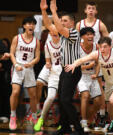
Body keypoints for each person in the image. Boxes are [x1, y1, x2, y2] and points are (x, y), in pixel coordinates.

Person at [65, 36, 113, 134]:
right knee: (109, 109)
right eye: (100, 47)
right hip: (109, 83)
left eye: (105, 47)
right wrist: (74, 64)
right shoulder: (97, 54)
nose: (102, 49)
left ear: (110, 46)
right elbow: (82, 60)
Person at [40, 0, 84, 134]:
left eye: (64, 20)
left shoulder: (74, 33)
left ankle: (78, 128)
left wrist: (53, 11)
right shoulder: (63, 34)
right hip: (64, 70)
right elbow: (49, 25)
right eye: (61, 20)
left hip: (73, 70)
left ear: (71, 22)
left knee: (65, 100)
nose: (62, 22)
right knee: (62, 100)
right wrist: (44, 10)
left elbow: (58, 28)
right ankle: (64, 126)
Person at [76, 2, 109, 125]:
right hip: (83, 59)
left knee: (99, 95)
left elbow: (107, 41)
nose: (91, 10)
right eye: (89, 8)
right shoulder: (79, 24)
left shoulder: (100, 24)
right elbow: (75, 39)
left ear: (96, 11)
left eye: (93, 8)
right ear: (85, 10)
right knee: (85, 95)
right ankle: (85, 120)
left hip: (96, 58)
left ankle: (101, 115)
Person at [9, 16, 40, 130]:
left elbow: (37, 57)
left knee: (33, 95)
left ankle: (34, 117)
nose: (31, 25)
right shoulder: (17, 38)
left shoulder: (36, 41)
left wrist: (31, 63)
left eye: (33, 24)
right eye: (29, 23)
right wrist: (16, 64)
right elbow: (11, 53)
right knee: (16, 92)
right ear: (24, 26)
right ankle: (13, 116)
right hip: (18, 67)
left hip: (29, 69)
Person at [34, 25, 62, 131]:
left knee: (64, 101)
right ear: (50, 35)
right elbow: (48, 60)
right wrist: (48, 64)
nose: (55, 37)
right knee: (50, 97)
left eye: (56, 35)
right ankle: (41, 118)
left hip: (64, 74)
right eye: (53, 35)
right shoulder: (47, 45)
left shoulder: (64, 43)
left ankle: (63, 122)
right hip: (54, 74)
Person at [78, 27, 102, 132]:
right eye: (87, 34)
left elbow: (98, 63)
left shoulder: (96, 47)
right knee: (85, 95)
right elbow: (75, 66)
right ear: (82, 37)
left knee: (98, 102)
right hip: (81, 76)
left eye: (92, 34)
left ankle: (86, 119)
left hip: (92, 76)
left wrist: (96, 74)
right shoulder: (77, 47)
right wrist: (87, 66)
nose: (90, 36)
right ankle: (84, 122)